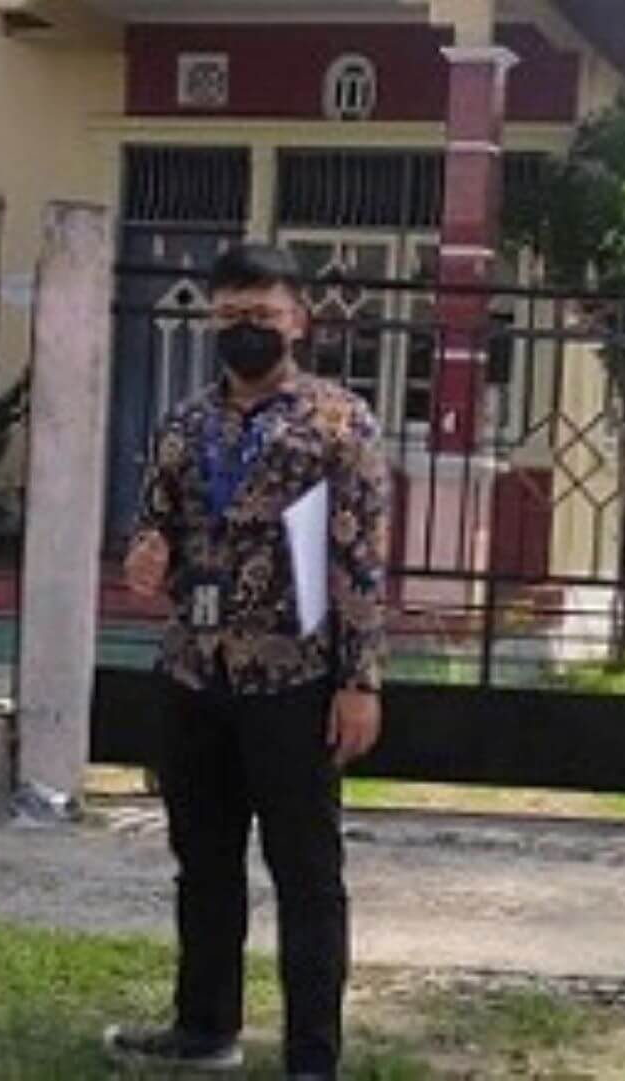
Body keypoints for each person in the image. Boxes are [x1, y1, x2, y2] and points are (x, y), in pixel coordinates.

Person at [104, 244, 390, 1079]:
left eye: (261, 315)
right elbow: (155, 522)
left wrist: (359, 680)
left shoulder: (340, 423)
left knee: (306, 874)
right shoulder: (185, 424)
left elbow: (361, 561)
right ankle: (205, 1028)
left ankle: (311, 1057)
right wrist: (145, 554)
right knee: (203, 862)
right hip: (196, 673)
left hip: (293, 680)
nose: (246, 331)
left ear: (297, 319)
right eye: (230, 317)